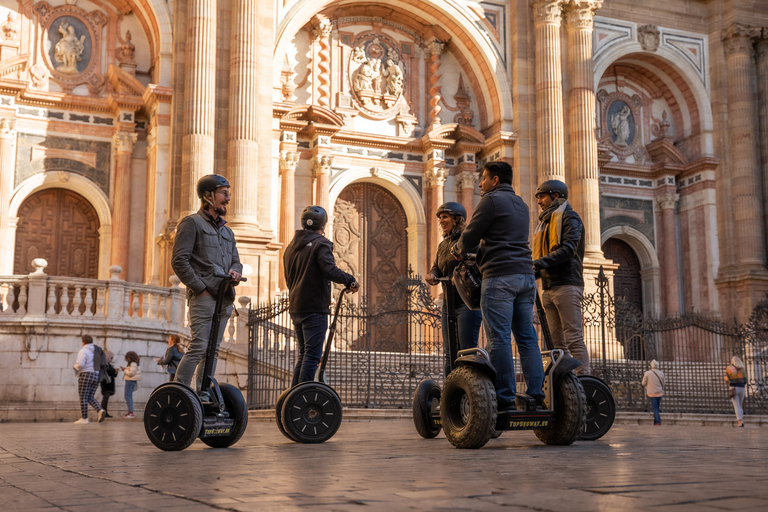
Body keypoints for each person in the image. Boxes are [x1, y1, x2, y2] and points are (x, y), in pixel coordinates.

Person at [452, 161, 545, 411]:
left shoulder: (491, 201)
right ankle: (536, 395)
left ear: (494, 180)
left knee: (499, 337)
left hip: (500, 277)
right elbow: (505, 236)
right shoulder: (522, 204)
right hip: (525, 277)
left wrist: (458, 250)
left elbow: (470, 234)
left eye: (483, 178)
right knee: (526, 337)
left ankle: (505, 399)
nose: (480, 183)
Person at [171, 174, 242, 400]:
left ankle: (202, 394)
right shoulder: (191, 223)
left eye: (228, 193)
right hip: (203, 297)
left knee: (213, 349)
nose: (227, 198)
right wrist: (200, 288)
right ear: (208, 196)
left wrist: (236, 271)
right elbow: (179, 261)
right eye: (224, 193)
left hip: (224, 297)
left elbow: (235, 260)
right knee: (199, 346)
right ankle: (178, 393)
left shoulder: (227, 231)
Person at [284, 206, 360, 386]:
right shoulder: (322, 243)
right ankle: (302, 399)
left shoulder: (291, 247)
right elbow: (329, 270)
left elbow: (288, 277)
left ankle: (294, 398)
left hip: (296, 306)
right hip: (314, 307)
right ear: (324, 224)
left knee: (304, 355)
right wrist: (350, 280)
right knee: (311, 356)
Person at [532, 179, 590, 375]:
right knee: (556, 343)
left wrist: (536, 264)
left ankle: (584, 380)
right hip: (548, 287)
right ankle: (567, 383)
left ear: (555, 196)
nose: (539, 201)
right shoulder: (545, 223)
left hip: (567, 284)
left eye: (542, 196)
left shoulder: (570, 217)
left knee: (573, 338)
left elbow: (568, 250)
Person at [426, 202, 482, 376]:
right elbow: (437, 266)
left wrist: (458, 275)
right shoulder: (443, 245)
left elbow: (477, 262)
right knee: (449, 352)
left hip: (467, 303)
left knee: (466, 351)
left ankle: (472, 389)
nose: (441, 221)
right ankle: (451, 391)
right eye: (440, 217)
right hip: (448, 304)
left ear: (457, 219)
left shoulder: (469, 240)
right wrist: (432, 274)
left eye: (445, 216)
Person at [73, 335, 107, 424]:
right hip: (96, 375)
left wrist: (75, 367)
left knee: (83, 397)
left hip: (86, 375)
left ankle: (84, 418)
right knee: (90, 396)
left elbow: (80, 364)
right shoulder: (97, 350)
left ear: (83, 342)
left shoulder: (83, 351)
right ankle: (100, 410)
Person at [725, 356, 747, 427]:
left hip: (734, 388)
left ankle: (740, 422)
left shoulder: (729, 368)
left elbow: (726, 378)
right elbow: (745, 379)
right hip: (742, 388)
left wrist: (729, 382)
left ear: (733, 361)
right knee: (740, 405)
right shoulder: (743, 368)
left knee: (737, 406)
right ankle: (741, 419)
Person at [642, 359, 665, 425]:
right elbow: (663, 383)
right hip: (659, 393)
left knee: (655, 408)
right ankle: (655, 421)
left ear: (651, 366)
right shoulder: (661, 373)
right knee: (657, 407)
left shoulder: (647, 373)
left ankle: (658, 421)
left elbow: (643, 383)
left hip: (651, 393)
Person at [121, 351, 141, 418]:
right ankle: (130, 412)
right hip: (131, 381)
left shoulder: (133, 363)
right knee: (128, 396)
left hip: (130, 380)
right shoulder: (134, 363)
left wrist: (125, 370)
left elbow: (131, 373)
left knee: (127, 396)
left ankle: (130, 412)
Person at [99, 349, 118, 418]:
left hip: (108, 384)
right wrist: (114, 370)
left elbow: (112, 374)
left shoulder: (108, 364)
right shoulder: (104, 364)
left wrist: (115, 371)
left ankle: (105, 412)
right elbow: (107, 371)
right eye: (111, 357)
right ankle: (103, 412)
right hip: (106, 384)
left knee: (106, 398)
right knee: (105, 398)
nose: (112, 359)